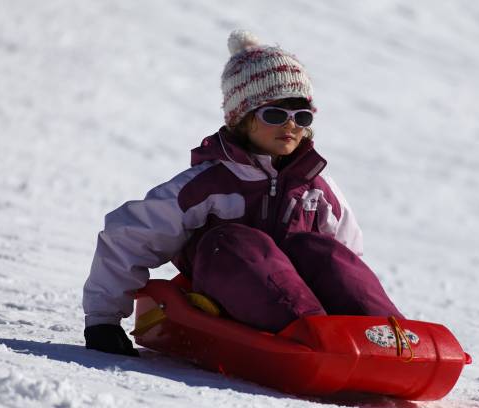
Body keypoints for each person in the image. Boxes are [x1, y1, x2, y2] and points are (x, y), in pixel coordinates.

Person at [82, 30, 403, 357]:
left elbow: (347, 261)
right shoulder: (208, 185)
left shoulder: (316, 187)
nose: (290, 125)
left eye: (300, 116)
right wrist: (103, 320)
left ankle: (388, 336)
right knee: (236, 242)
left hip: (306, 302)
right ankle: (313, 337)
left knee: (319, 249)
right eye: (275, 114)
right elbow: (129, 237)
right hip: (225, 292)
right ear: (242, 119)